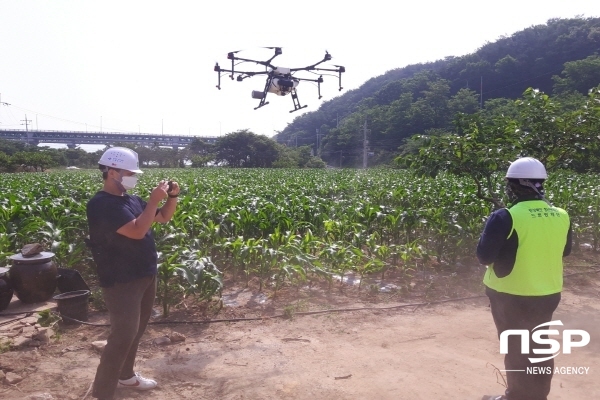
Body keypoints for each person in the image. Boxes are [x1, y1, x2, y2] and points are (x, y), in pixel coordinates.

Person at [86, 147, 180, 400]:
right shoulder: (101, 204)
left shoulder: (131, 199)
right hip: (121, 279)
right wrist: (152, 201)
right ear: (112, 172)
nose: (133, 177)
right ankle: (102, 393)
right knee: (122, 335)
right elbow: (137, 231)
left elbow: (162, 218)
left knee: (136, 331)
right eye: (129, 173)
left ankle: (126, 377)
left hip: (145, 273)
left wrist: (171, 197)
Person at [477, 157, 572, 400]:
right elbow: (565, 250)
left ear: (513, 186)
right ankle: (538, 396)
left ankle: (516, 396)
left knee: (516, 347)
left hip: (511, 294)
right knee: (539, 345)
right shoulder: (561, 215)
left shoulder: (505, 216)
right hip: (548, 294)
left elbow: (484, 256)